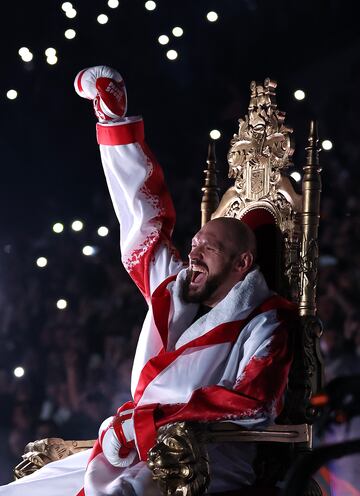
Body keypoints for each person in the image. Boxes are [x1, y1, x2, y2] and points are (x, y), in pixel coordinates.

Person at [0, 66, 296, 495]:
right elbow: (144, 228)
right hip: (137, 443)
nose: (192, 252)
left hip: (212, 456)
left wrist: (149, 422)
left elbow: (254, 402)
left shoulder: (268, 320)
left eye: (207, 247)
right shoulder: (174, 289)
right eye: (194, 244)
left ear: (241, 263)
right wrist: (115, 124)